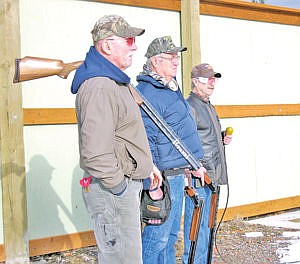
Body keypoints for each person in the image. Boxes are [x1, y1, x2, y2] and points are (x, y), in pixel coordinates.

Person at [70, 15, 162, 264]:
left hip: (119, 187)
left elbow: (123, 134)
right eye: (129, 40)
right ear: (107, 46)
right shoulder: (100, 86)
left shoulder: (113, 81)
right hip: (112, 191)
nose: (134, 46)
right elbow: (96, 154)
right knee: (122, 259)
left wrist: (146, 165)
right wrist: (119, 187)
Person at [136, 36, 206, 264]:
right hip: (163, 177)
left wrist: (191, 164)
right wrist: (152, 184)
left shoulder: (169, 87)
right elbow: (146, 139)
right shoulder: (149, 92)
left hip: (177, 173)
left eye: (177, 57)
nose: (176, 61)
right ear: (155, 61)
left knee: (170, 236)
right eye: (170, 57)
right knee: (157, 237)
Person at [182, 63, 233, 264]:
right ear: (196, 81)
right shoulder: (190, 106)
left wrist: (221, 138)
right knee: (197, 227)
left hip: (213, 174)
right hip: (199, 175)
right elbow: (185, 141)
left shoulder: (208, 105)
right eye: (207, 79)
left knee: (209, 225)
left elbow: (203, 137)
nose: (212, 83)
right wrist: (193, 168)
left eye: (214, 79)